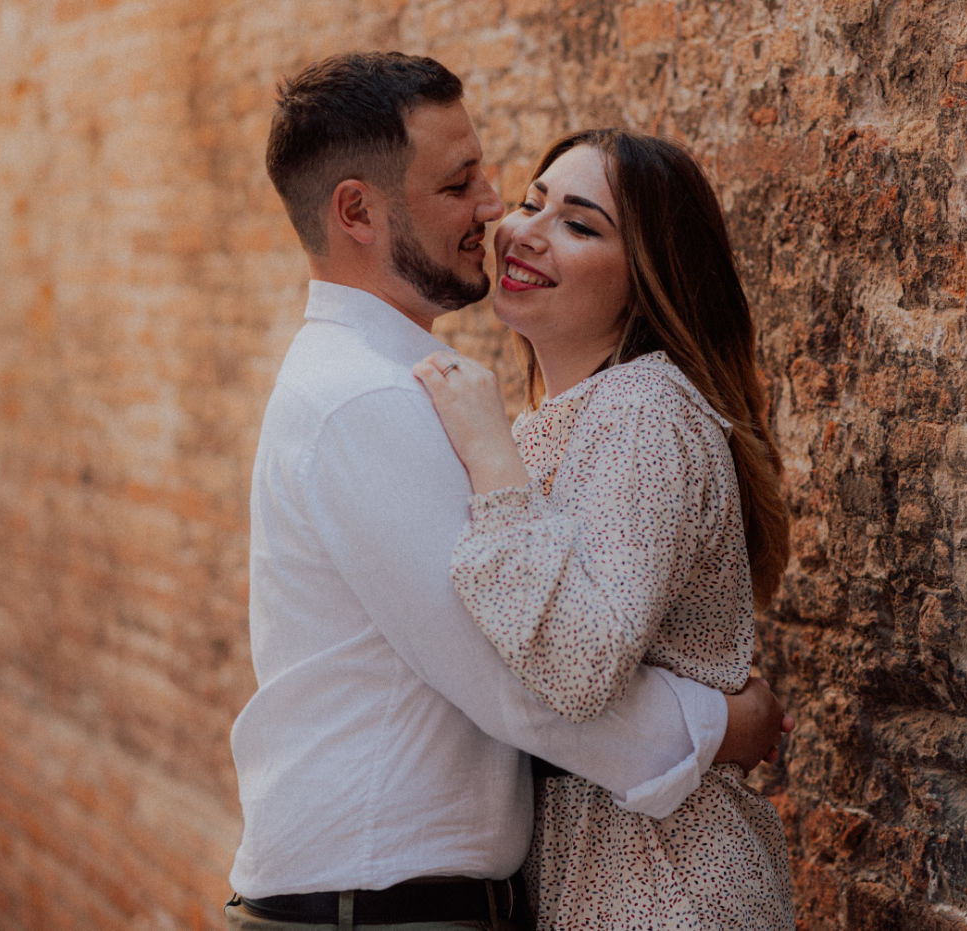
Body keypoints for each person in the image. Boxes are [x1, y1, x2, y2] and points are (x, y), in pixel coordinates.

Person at [225, 52, 791, 931]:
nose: (497, 213)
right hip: (385, 907)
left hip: (629, 888)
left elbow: (544, 657)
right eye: (466, 185)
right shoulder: (376, 398)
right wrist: (720, 725)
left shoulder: (613, 410)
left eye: (571, 219)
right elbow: (514, 683)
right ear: (357, 211)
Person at [413, 129, 796, 928]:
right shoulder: (568, 421)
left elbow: (581, 667)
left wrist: (487, 450)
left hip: (666, 886)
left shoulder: (645, 410)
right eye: (532, 202)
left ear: (643, 286)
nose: (525, 231)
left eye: (579, 224)